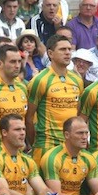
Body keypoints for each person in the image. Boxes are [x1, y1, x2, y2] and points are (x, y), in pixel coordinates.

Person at [26, 34, 83, 163]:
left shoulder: (77, 79)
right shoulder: (40, 80)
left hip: (71, 144)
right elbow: (29, 117)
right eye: (63, 49)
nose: (68, 53)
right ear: (50, 53)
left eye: (69, 49)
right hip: (47, 145)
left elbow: (77, 113)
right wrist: (34, 143)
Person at [0, 44, 28, 153]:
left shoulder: (22, 87)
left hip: (18, 152)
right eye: (12, 62)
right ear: (0, 64)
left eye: (19, 61)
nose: (17, 66)